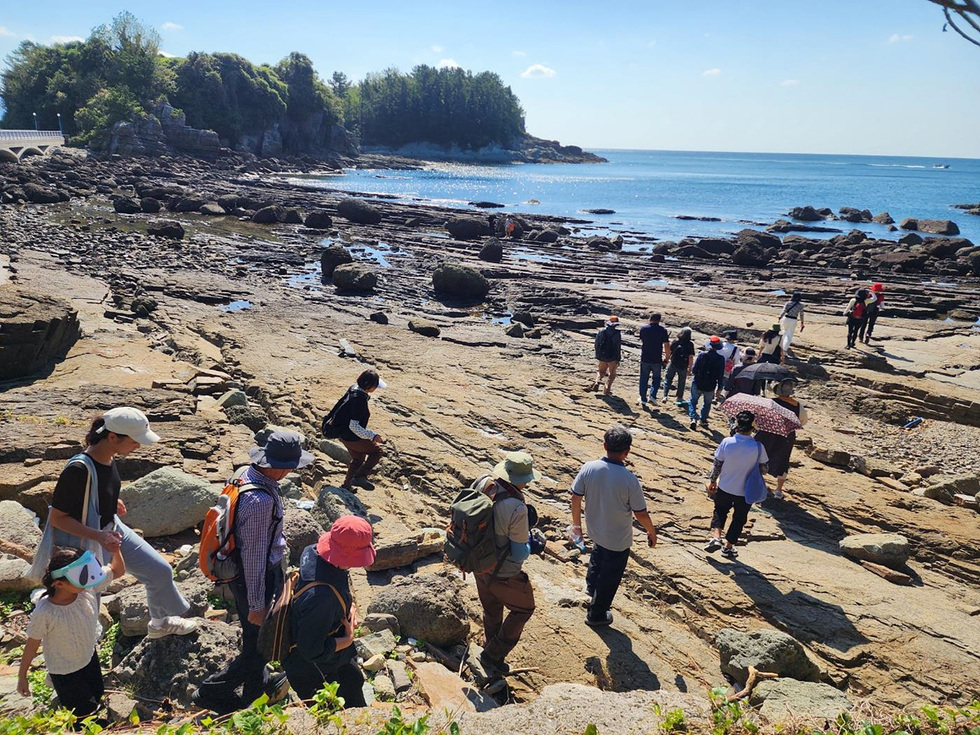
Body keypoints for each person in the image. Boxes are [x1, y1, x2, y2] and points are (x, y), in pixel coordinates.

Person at [47, 407, 197, 639]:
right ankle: (73, 663)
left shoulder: (109, 456)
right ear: (112, 437)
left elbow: (97, 488)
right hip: (86, 544)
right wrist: (98, 537)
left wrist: (110, 501)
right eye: (135, 441)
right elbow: (58, 519)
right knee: (87, 603)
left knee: (159, 570)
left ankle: (159, 623)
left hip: (112, 530)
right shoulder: (77, 470)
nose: (139, 446)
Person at [194, 430, 313, 714]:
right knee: (259, 645)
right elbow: (254, 556)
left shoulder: (245, 473)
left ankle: (255, 690)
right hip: (254, 577)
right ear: (281, 467)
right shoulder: (259, 502)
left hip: (241, 573)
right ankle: (211, 692)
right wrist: (257, 604)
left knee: (254, 637)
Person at [18, 545, 125, 719]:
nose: (89, 582)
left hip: (89, 656)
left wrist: (115, 550)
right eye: (82, 579)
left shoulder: (85, 588)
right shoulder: (46, 611)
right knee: (82, 714)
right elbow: (33, 643)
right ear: (59, 583)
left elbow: (117, 570)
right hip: (65, 670)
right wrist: (22, 675)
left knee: (97, 694)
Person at [282, 517, 375, 707]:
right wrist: (347, 640)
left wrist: (345, 608)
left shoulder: (313, 552)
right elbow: (311, 651)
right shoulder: (321, 598)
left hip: (324, 645)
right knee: (340, 712)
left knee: (354, 679)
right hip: (312, 668)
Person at [569, 425, 657, 628]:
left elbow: (575, 497)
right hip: (618, 538)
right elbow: (641, 513)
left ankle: (591, 588)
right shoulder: (629, 480)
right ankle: (597, 614)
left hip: (595, 528)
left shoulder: (589, 467)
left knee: (598, 556)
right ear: (627, 452)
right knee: (610, 575)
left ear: (604, 445)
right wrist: (652, 532)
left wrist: (577, 525)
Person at [473, 452, 540, 675]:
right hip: (503, 571)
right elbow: (519, 553)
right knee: (524, 609)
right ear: (524, 480)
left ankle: (491, 647)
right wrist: (534, 546)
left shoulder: (483, 482)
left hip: (476, 560)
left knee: (492, 608)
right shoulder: (517, 508)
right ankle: (492, 656)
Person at [704, 411, 769, 559]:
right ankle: (728, 547)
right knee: (739, 518)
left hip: (726, 486)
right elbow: (764, 469)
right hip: (745, 491)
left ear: (737, 425)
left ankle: (716, 536)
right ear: (752, 427)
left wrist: (713, 481)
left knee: (720, 510)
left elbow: (717, 464)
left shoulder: (727, 442)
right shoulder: (758, 447)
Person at [332, 369, 387, 491]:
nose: (376, 388)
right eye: (375, 386)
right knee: (377, 452)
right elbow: (354, 426)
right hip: (350, 435)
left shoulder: (354, 388)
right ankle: (360, 477)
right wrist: (372, 436)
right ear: (368, 385)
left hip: (341, 432)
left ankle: (347, 485)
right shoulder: (359, 400)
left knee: (358, 458)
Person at [754, 379, 808, 500]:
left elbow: (759, 418)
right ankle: (778, 490)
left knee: (760, 457)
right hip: (786, 435)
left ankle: (757, 483)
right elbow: (803, 421)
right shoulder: (797, 406)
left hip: (767, 432)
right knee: (783, 459)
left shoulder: (771, 402)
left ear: (778, 391)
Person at [689, 337, 726, 430]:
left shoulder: (702, 355)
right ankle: (703, 419)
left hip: (698, 382)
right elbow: (720, 375)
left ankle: (693, 418)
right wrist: (720, 388)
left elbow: (694, 370)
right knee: (707, 403)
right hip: (710, 385)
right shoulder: (721, 359)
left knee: (693, 401)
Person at [638, 313, 671, 406]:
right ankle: (652, 396)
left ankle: (643, 398)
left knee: (644, 378)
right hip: (657, 358)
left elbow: (642, 340)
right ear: (659, 320)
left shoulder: (644, 328)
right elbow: (666, 345)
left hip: (645, 357)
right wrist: (667, 357)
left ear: (650, 318)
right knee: (656, 378)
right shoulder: (662, 330)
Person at [662, 326, 696, 404]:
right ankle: (679, 397)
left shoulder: (676, 341)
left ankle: (665, 396)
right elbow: (690, 357)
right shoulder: (690, 344)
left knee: (668, 379)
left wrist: (666, 359)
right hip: (683, 365)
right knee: (681, 382)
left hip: (673, 363)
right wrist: (690, 368)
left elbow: (670, 351)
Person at [590, 316, 622, 396]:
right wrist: (618, 359)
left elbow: (596, 344)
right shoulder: (617, 334)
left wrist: (598, 355)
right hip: (612, 357)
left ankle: (597, 381)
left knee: (601, 371)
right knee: (612, 375)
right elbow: (617, 347)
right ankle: (606, 390)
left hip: (602, 356)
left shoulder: (601, 332)